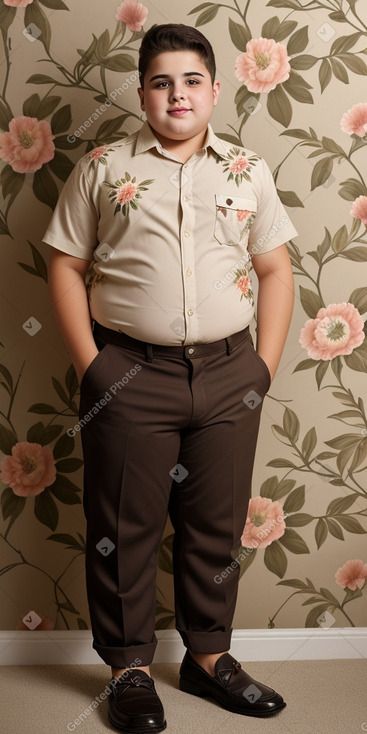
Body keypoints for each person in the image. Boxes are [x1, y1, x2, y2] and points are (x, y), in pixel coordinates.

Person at [44, 22, 298, 733]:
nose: (176, 94)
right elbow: (63, 264)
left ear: (215, 90)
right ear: (142, 93)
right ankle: (127, 667)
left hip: (227, 374)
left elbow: (275, 269)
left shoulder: (248, 171)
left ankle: (208, 659)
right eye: (161, 82)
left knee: (214, 526)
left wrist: (262, 368)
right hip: (130, 373)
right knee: (123, 527)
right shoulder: (101, 168)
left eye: (191, 80)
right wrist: (93, 369)